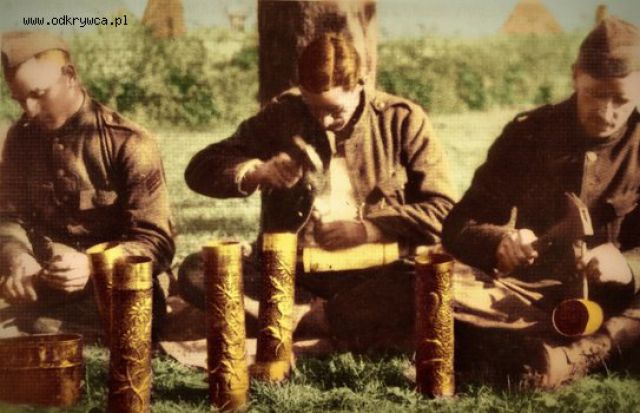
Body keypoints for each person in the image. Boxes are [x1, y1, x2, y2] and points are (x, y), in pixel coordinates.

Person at [180, 32, 456, 351]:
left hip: (375, 274)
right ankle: (324, 318)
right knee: (197, 271)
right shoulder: (283, 114)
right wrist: (258, 172)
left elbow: (443, 209)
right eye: (314, 108)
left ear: (360, 83)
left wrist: (369, 230)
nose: (324, 121)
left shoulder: (401, 119)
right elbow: (200, 168)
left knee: (426, 279)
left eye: (335, 110)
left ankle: (296, 319)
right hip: (295, 274)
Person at [443, 16, 640, 388]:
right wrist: (500, 242)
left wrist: (628, 266)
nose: (606, 112)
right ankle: (557, 349)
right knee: (431, 282)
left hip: (620, 302)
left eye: (621, 100)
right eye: (594, 94)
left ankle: (584, 353)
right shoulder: (529, 134)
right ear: (574, 76)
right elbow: (458, 225)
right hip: (534, 299)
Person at [0, 31, 175, 338]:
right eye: (20, 99)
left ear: (70, 76)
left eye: (38, 94)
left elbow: (157, 242)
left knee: (38, 329)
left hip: (118, 286)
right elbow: (9, 217)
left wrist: (94, 264)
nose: (29, 109)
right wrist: (17, 258)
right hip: (43, 282)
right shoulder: (20, 138)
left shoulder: (129, 142)